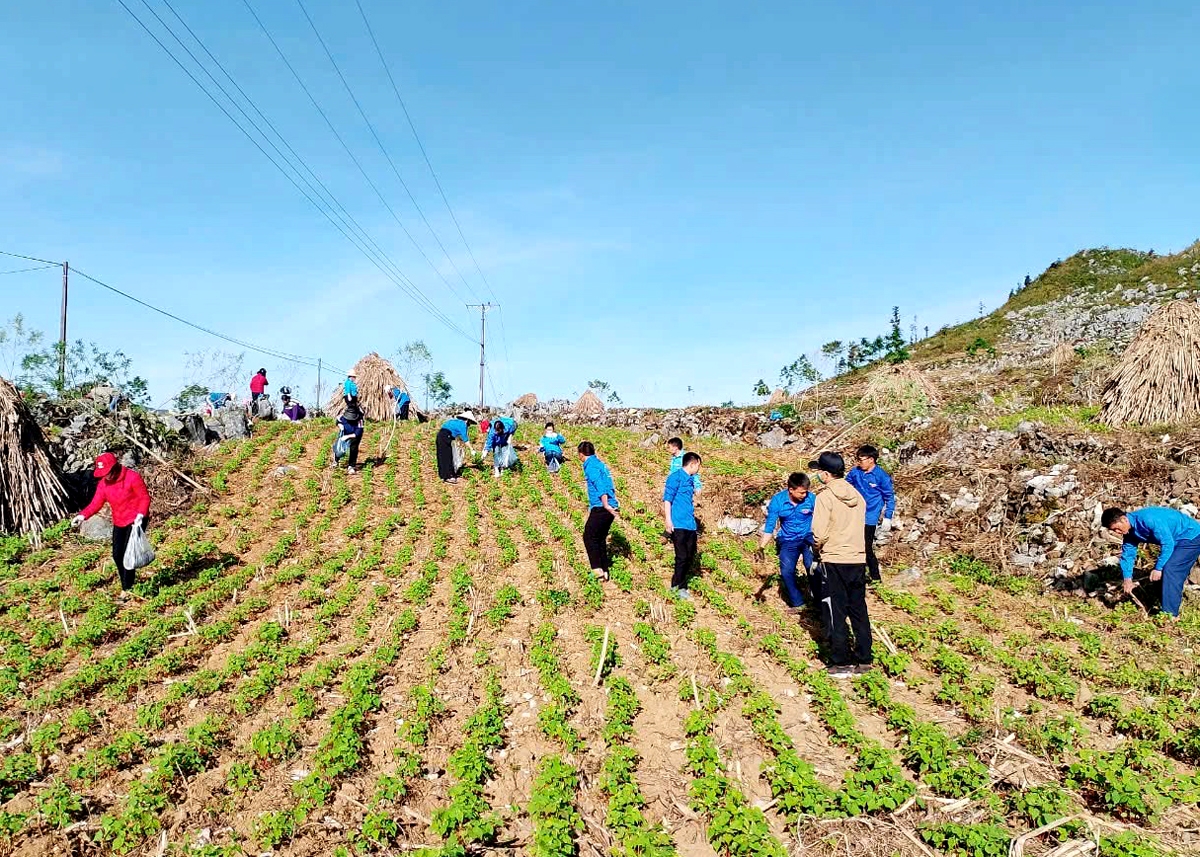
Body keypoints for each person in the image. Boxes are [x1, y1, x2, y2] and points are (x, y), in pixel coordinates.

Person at [809, 451, 872, 677]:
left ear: (826, 474)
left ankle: (841, 662)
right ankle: (864, 659)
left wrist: (816, 549)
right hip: (857, 559)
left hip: (835, 559)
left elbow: (819, 533)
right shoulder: (858, 496)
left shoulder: (825, 498)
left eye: (819, 472)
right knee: (858, 610)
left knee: (835, 610)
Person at [71, 452, 151, 598]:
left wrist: (141, 514)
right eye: (103, 474)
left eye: (107, 473)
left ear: (115, 467)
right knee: (117, 554)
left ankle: (127, 589)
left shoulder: (132, 477)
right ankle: (127, 582)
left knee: (128, 553)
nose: (106, 476)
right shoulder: (103, 484)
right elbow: (96, 503)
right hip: (119, 521)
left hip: (136, 520)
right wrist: (82, 515)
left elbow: (144, 497)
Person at [1103, 506, 1200, 618]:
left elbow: (1167, 544)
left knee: (1171, 569)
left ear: (1124, 519)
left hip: (1191, 536)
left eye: (1117, 528)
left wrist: (1158, 568)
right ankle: (1163, 606)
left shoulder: (1148, 519)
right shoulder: (1130, 532)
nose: (1118, 532)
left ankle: (1171, 616)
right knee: (1163, 571)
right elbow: (1128, 555)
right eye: (1114, 530)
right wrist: (1127, 579)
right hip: (1175, 540)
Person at [754, 472, 817, 613]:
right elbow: (770, 526)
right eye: (801, 493)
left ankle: (819, 601)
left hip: (808, 537)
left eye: (806, 492)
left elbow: (822, 519)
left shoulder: (812, 499)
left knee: (812, 568)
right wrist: (761, 547)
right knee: (787, 571)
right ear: (791, 490)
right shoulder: (778, 501)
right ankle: (798, 602)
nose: (804, 495)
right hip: (788, 539)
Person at [845, 445, 895, 583]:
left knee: (866, 548)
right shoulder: (856, 473)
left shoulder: (881, 476)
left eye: (861, 459)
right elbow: (845, 487)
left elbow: (889, 497)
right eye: (858, 459)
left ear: (871, 460)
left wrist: (887, 517)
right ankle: (855, 576)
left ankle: (875, 578)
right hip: (854, 515)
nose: (859, 462)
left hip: (870, 517)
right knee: (852, 546)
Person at [663, 452, 702, 597]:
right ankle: (677, 586)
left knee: (691, 555)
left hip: (690, 524)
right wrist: (668, 520)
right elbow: (667, 500)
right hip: (678, 522)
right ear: (692, 464)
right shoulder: (675, 477)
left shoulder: (691, 480)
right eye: (698, 465)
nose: (698, 469)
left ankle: (681, 584)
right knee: (682, 556)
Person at [579, 441, 619, 580]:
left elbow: (600, 485)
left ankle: (596, 569)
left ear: (581, 454)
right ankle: (604, 571)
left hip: (602, 507)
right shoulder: (600, 464)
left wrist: (605, 504)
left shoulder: (591, 466)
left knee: (589, 536)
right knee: (599, 538)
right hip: (610, 506)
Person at [436, 410, 477, 483]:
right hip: (445, 436)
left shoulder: (455, 421)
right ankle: (448, 476)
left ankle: (443, 475)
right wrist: (471, 449)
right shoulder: (463, 424)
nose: (469, 425)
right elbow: (465, 439)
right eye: (470, 423)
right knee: (447, 456)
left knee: (442, 455)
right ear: (467, 420)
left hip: (441, 435)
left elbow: (456, 435)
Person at [338, 386, 364, 474]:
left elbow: (358, 433)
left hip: (354, 435)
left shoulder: (360, 420)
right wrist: (340, 425)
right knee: (339, 446)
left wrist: (347, 437)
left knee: (353, 447)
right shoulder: (344, 417)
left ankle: (351, 466)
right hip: (345, 432)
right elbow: (338, 421)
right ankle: (336, 460)